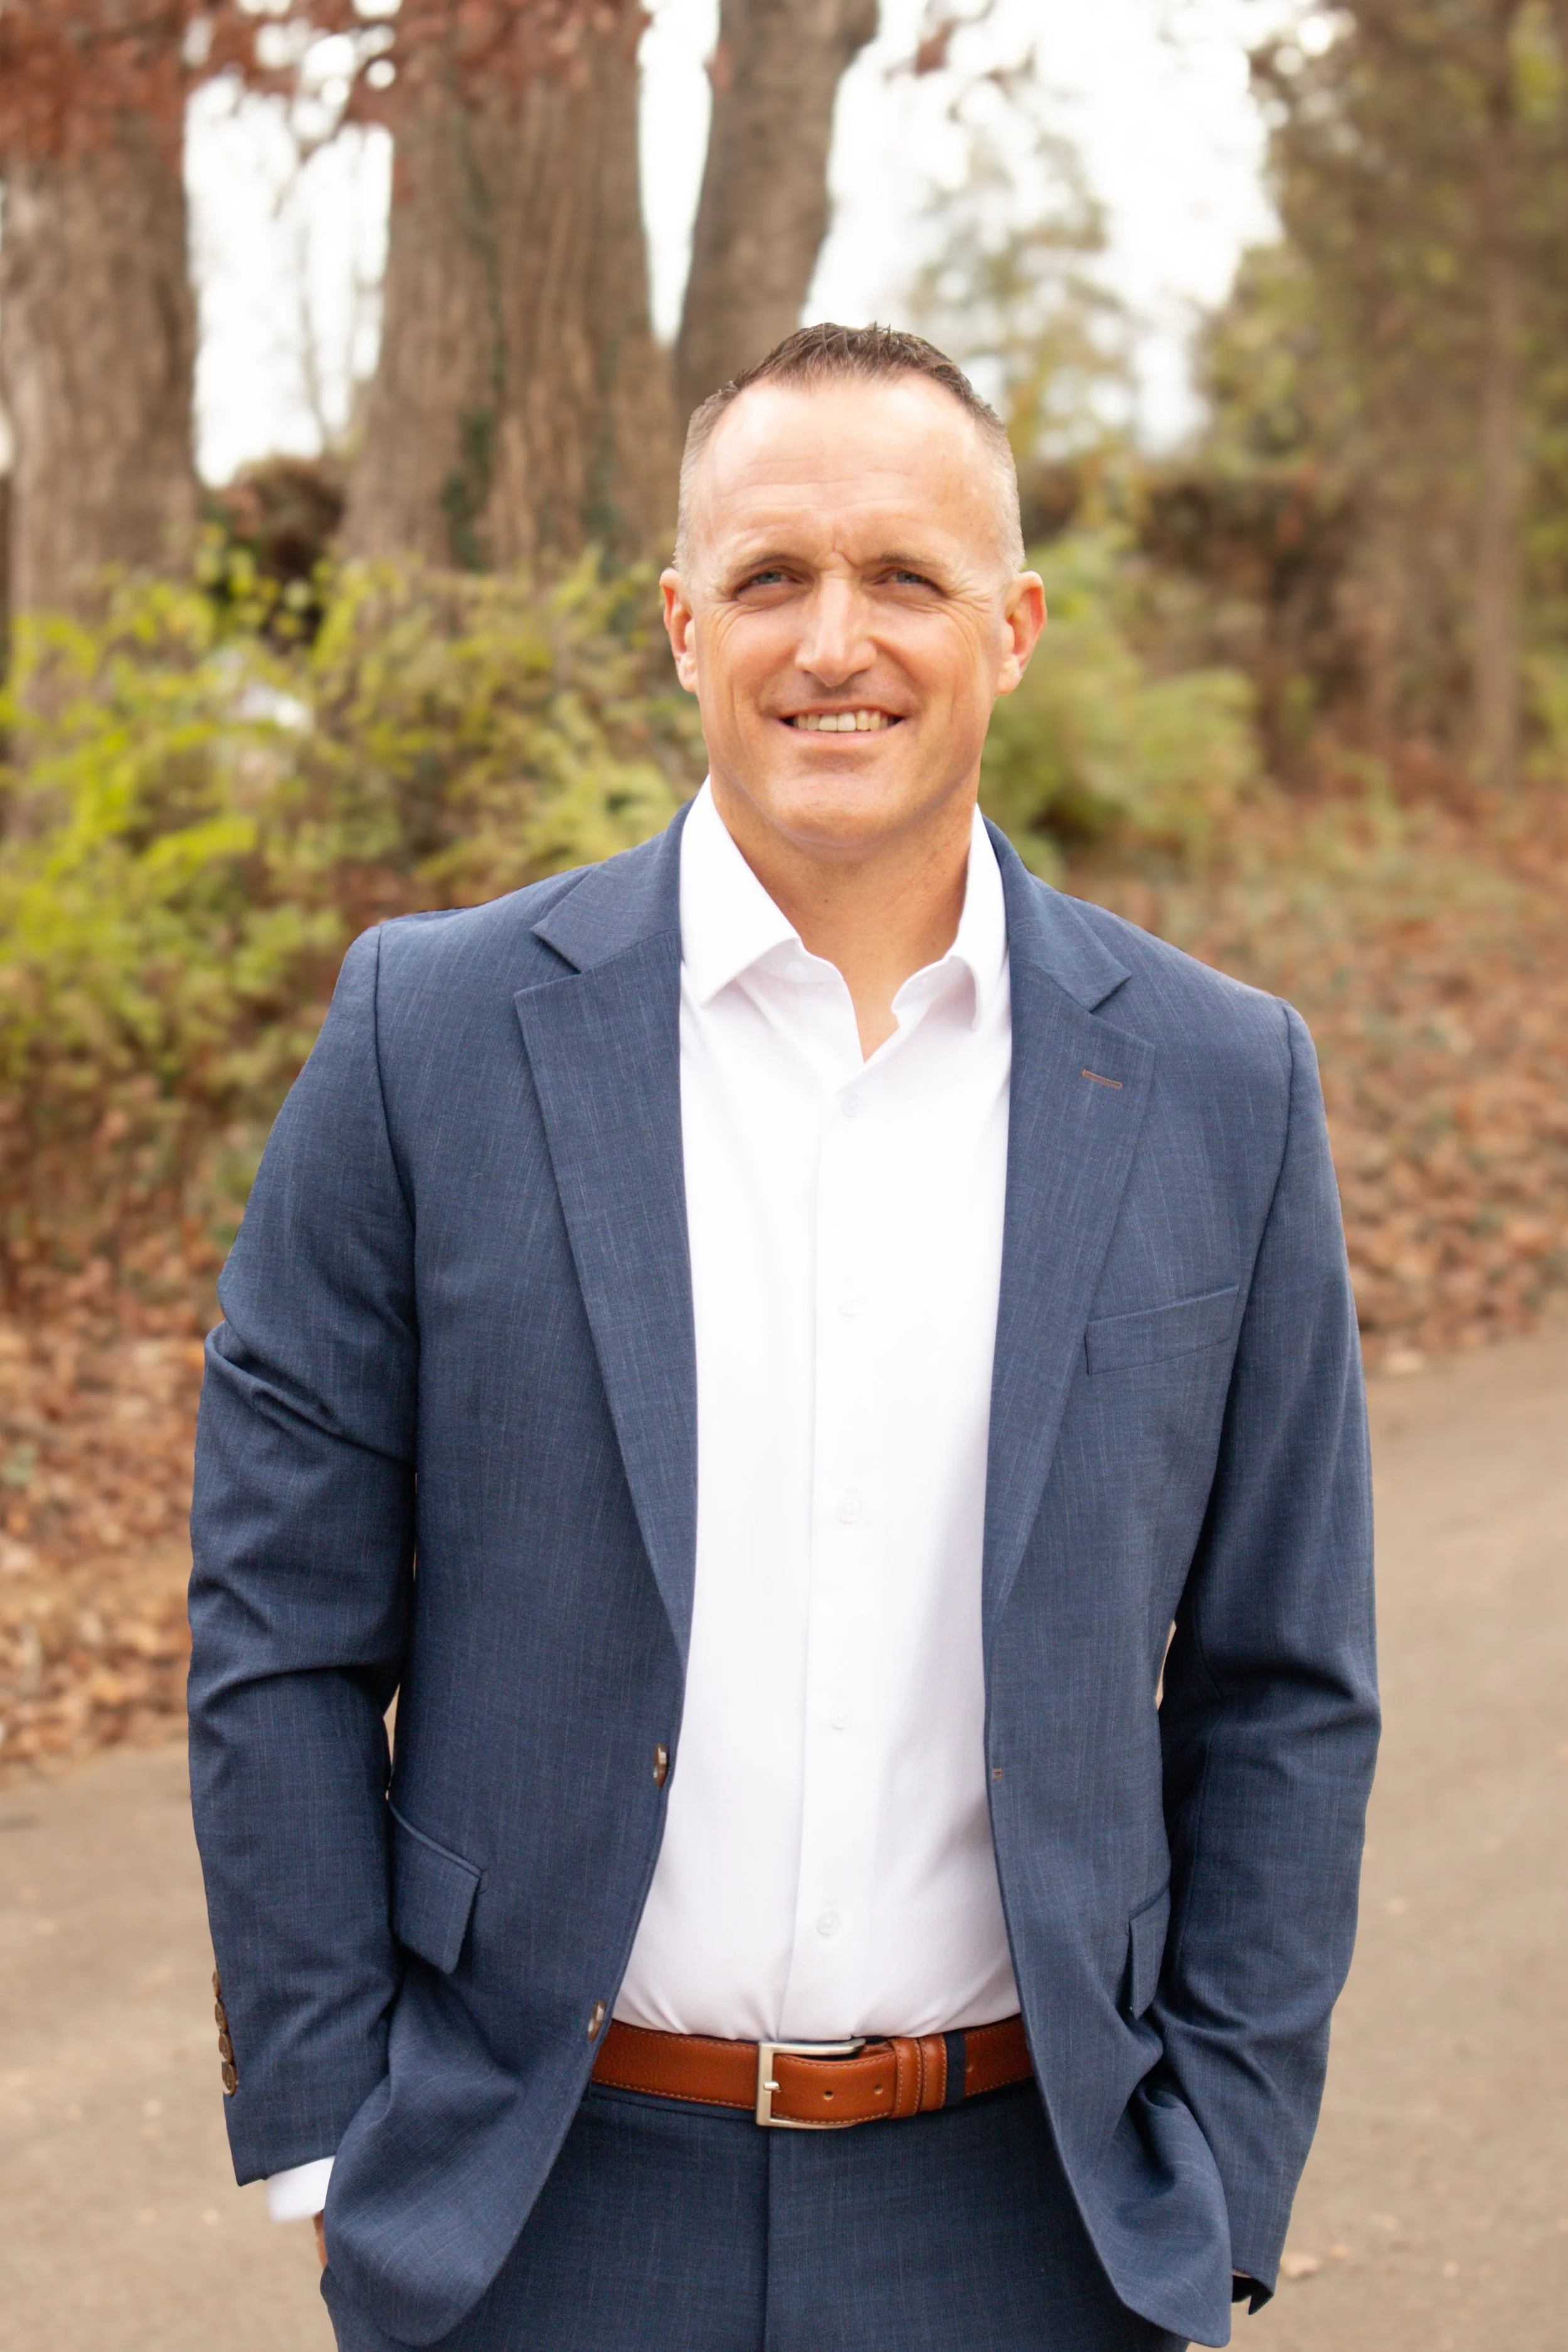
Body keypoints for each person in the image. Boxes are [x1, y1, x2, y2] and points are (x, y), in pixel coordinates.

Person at [188, 323, 1378, 2352]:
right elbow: (278, 1619)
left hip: (1033, 2224)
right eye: (769, 578)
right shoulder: (431, 1037)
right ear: (679, 625)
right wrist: (336, 2142)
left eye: (903, 577)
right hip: (538, 2206)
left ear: (1010, 625)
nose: (836, 639)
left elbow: (1282, 1680)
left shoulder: (1217, 1084)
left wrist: (1222, 2167)